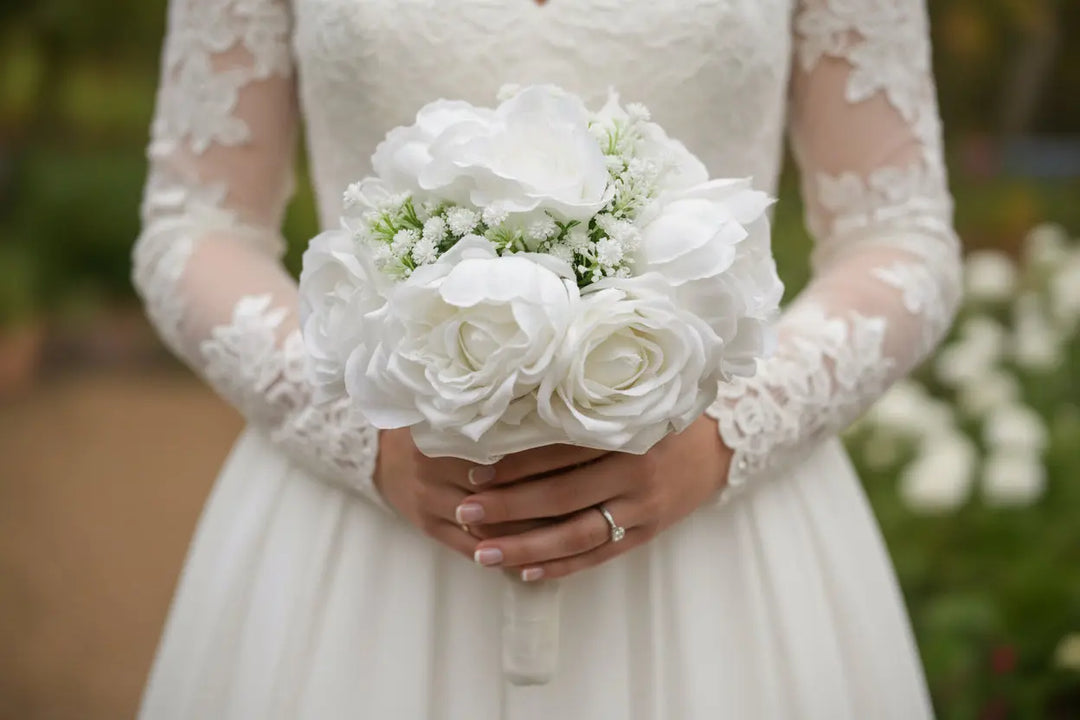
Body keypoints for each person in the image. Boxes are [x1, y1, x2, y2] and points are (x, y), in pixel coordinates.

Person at [133, 0, 959, 716]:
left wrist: (728, 434)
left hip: (715, 537)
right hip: (367, 532)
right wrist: (362, 436)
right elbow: (194, 226)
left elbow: (900, 236)